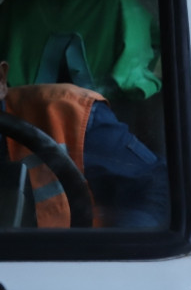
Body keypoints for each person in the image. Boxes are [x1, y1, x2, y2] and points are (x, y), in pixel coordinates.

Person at [0, 59, 169, 229]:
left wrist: (116, 250)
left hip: (80, 252)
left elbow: (154, 187)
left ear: (1, 79)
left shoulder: (71, 114)